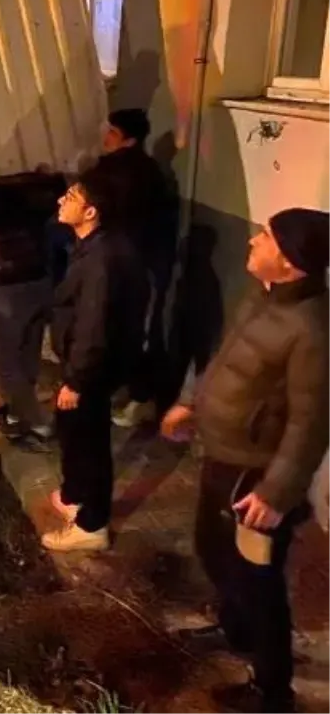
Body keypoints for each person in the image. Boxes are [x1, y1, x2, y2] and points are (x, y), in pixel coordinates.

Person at [162, 209, 330, 714]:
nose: (254, 239)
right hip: (222, 455)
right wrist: (192, 402)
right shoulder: (261, 296)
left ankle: (272, 690)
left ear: (291, 261)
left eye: (266, 236)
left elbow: (311, 421)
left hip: (254, 474)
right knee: (211, 550)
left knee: (257, 578)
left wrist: (277, 492)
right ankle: (236, 631)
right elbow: (224, 357)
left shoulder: (312, 330)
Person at [43, 171, 148, 552]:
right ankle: (74, 496)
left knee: (89, 441)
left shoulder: (102, 259)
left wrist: (76, 380)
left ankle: (92, 524)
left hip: (91, 369)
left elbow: (94, 325)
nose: (60, 201)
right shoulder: (95, 246)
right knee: (72, 431)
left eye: (69, 197)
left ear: (90, 211)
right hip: (86, 364)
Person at [0, 162, 68, 447]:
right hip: (40, 284)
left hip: (9, 292)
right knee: (28, 353)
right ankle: (21, 413)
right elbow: (54, 186)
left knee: (7, 362)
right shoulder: (33, 203)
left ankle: (35, 421)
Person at [88, 107, 177, 428]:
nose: (106, 137)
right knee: (128, 330)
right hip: (138, 263)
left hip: (125, 265)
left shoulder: (113, 172)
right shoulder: (149, 170)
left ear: (129, 138)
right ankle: (132, 393)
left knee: (126, 331)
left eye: (113, 132)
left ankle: (139, 397)